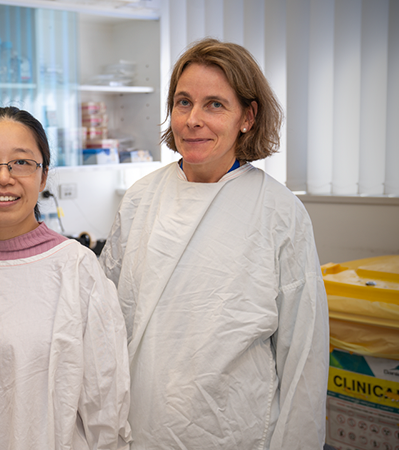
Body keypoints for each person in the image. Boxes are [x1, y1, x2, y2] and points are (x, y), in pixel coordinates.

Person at [99, 38, 329, 449]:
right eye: (183, 102)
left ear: (248, 116)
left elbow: (303, 351)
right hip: (140, 425)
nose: (192, 119)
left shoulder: (279, 211)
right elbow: (105, 321)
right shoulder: (140, 199)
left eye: (215, 105)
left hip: (234, 429)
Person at [0, 107, 131, 450]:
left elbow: (105, 403)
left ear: (43, 175)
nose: (4, 177)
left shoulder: (76, 268)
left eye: (21, 163)